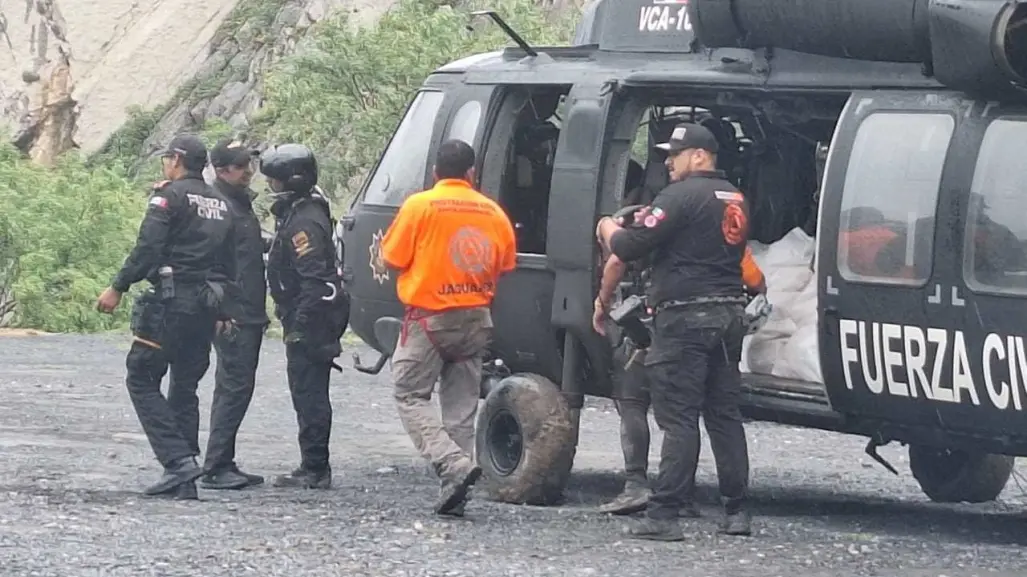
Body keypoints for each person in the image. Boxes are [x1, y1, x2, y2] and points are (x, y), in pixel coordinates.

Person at [595, 122, 754, 541]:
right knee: (724, 415)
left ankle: (664, 514)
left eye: (675, 153)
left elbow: (628, 248)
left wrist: (607, 226)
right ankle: (737, 512)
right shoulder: (734, 197)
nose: (668, 160)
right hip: (729, 315)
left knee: (679, 418)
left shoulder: (679, 197)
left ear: (700, 156)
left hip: (685, 319)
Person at [595, 212, 766, 518]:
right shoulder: (720, 237)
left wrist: (602, 303)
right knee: (698, 416)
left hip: (657, 326)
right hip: (711, 329)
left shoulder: (648, 230)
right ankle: (689, 496)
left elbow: (618, 260)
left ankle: (637, 484)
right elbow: (755, 281)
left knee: (634, 401)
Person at [96, 133, 237, 500]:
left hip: (171, 302)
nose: (165, 165)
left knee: (141, 376)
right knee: (184, 386)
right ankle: (184, 480)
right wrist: (224, 309)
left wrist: (118, 286)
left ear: (176, 160)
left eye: (167, 159)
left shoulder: (168, 197)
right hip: (206, 306)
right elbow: (229, 264)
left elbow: (148, 248)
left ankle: (177, 462)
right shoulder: (222, 204)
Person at [380, 139, 517, 517]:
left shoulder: (420, 205)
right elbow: (506, 263)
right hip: (476, 317)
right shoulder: (492, 211)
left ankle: (451, 463)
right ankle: (456, 488)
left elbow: (391, 256)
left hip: (430, 319)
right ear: (472, 173)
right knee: (460, 407)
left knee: (409, 393)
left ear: (436, 172)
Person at [261, 143, 349, 490]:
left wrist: (299, 325)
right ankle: (312, 464)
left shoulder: (305, 222)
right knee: (307, 390)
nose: (271, 187)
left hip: (312, 321)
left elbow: (315, 278)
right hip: (310, 316)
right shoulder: (301, 211)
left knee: (309, 392)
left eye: (275, 181)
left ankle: (315, 468)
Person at [199, 138, 266, 490]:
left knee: (235, 386)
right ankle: (216, 465)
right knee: (234, 386)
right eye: (241, 167)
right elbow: (214, 263)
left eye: (248, 165)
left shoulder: (238, 204)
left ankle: (221, 460)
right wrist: (224, 309)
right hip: (237, 312)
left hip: (247, 307)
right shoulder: (221, 206)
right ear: (223, 170)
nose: (249, 172)